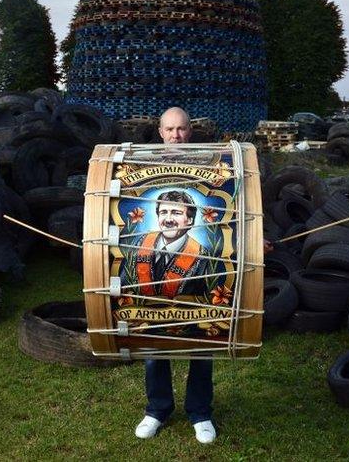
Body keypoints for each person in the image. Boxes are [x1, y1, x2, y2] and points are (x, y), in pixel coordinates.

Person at [135, 106, 217, 444]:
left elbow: (241, 206)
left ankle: (200, 413)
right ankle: (157, 409)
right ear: (159, 131)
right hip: (152, 289)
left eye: (181, 129)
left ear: (191, 131)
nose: (175, 136)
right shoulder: (141, 163)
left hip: (198, 287)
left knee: (202, 342)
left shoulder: (213, 163)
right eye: (169, 129)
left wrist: (254, 242)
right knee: (154, 342)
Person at [134, 190, 209, 298]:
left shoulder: (202, 256)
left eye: (176, 213)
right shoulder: (141, 243)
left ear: (189, 220)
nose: (168, 219)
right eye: (163, 212)